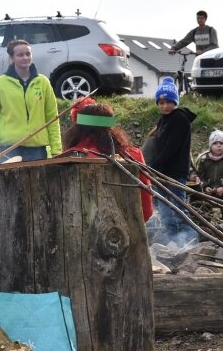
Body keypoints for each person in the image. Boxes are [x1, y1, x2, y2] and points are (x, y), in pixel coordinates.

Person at [61, 99, 153, 221]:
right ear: (111, 127)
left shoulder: (68, 157)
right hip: (128, 224)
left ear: (77, 128)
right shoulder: (132, 155)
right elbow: (145, 204)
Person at [0, 39, 61, 162]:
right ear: (11, 58)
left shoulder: (43, 82)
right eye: (20, 55)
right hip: (9, 149)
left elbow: (52, 118)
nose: (25, 57)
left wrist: (56, 150)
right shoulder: (0, 83)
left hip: (37, 150)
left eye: (28, 54)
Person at [148, 78, 197, 245]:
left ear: (175, 101)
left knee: (178, 209)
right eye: (161, 102)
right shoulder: (163, 120)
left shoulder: (180, 118)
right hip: (162, 172)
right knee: (165, 211)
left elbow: (171, 148)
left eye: (168, 102)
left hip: (175, 172)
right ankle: (174, 243)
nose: (164, 106)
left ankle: (190, 243)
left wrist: (153, 167)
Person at [195, 130, 223, 198]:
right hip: (207, 196)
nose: (218, 145)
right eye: (215, 143)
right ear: (210, 146)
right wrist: (205, 186)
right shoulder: (204, 160)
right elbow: (200, 177)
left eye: (221, 143)